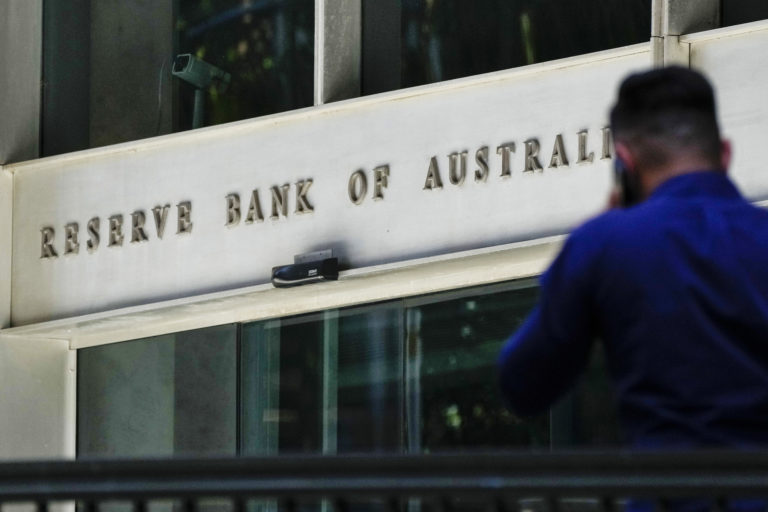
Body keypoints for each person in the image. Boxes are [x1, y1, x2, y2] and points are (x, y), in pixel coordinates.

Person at [498, 66, 768, 450]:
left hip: (665, 484)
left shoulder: (604, 243)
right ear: (725, 154)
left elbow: (522, 386)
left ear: (624, 163)